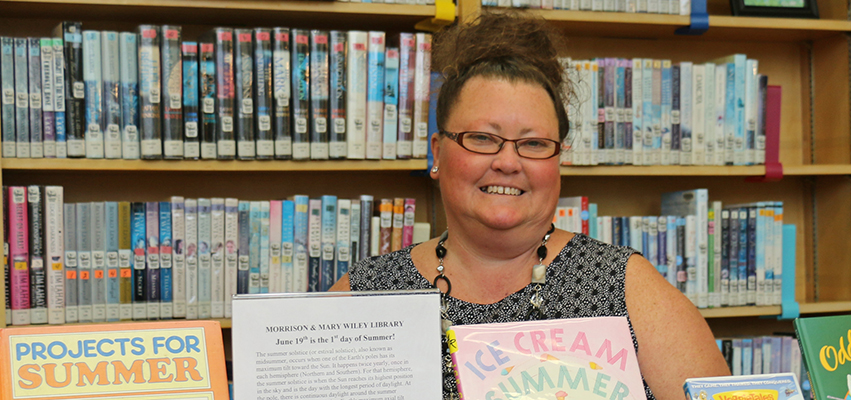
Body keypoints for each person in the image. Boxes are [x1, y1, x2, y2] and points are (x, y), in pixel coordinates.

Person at [331, 12, 730, 400]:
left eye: (534, 144)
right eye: (482, 138)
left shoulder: (626, 288)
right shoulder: (369, 293)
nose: (508, 162)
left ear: (558, 161)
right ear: (437, 153)